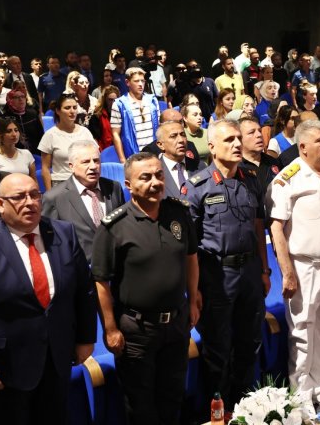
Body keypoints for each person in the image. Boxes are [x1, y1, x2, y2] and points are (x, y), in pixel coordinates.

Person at [0, 172, 97, 425]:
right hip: (7, 368)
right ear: (0, 204)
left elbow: (84, 290)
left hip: (58, 357)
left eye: (34, 195)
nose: (30, 202)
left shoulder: (63, 233)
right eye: (19, 197)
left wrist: (86, 338)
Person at [92, 152, 199, 425]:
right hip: (136, 330)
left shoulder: (178, 213)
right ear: (129, 185)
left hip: (176, 324)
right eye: (146, 177)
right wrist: (110, 328)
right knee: (141, 405)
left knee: (173, 396)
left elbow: (191, 257)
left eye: (159, 175)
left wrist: (193, 300)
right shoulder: (114, 226)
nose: (155, 182)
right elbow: (101, 282)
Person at [267, 120, 320, 415]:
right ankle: (301, 392)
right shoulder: (287, 179)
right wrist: (287, 272)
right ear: (302, 147)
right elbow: (276, 229)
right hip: (305, 267)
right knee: (302, 332)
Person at [184, 119, 271, 410]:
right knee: (218, 347)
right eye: (228, 140)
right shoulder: (197, 186)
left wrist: (264, 270)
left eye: (238, 138)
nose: (236, 144)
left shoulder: (251, 178)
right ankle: (219, 411)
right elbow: (189, 245)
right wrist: (194, 289)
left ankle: (247, 407)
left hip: (250, 272)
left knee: (250, 342)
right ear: (211, 147)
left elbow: (258, 226)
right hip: (217, 275)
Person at [42, 141, 125, 262]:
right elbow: (52, 242)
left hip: (118, 261)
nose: (93, 166)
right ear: (71, 166)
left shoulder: (114, 187)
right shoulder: (54, 198)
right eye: (86, 162)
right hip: (82, 266)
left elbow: (123, 226)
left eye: (96, 161)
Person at [38, 94, 97, 190]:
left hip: (85, 181)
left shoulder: (85, 132)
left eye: (74, 107)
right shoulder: (50, 135)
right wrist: (50, 194)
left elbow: (95, 157)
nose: (72, 111)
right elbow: (45, 168)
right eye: (67, 108)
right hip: (61, 183)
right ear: (58, 111)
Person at [110, 67, 160, 163]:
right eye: (136, 81)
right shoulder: (119, 104)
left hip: (154, 151)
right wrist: (122, 159)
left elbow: (159, 127)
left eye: (142, 81)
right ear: (127, 82)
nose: (140, 84)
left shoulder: (152, 100)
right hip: (133, 153)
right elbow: (115, 133)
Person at [239, 116, 281, 190]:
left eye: (260, 131)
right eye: (251, 132)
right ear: (239, 138)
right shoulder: (236, 167)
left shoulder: (273, 162)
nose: (259, 135)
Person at [0, 117, 36, 181]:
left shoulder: (26, 154)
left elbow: (34, 180)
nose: (14, 134)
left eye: (16, 130)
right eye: (9, 131)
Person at [88, 85, 120, 151]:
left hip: (120, 149)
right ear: (105, 99)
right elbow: (95, 139)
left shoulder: (122, 114)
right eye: (110, 100)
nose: (112, 103)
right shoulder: (97, 116)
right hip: (103, 151)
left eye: (115, 100)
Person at [181, 95, 210, 162]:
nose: (199, 118)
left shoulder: (207, 133)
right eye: (195, 115)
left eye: (200, 114)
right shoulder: (182, 135)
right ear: (185, 118)